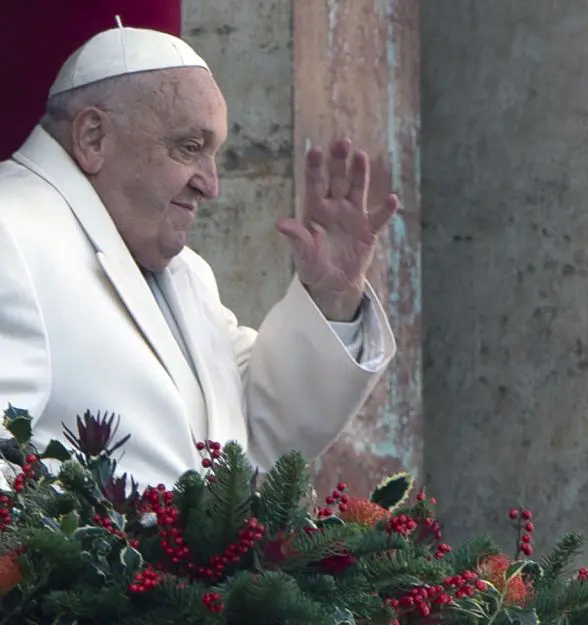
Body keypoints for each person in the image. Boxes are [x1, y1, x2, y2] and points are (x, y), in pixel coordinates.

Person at [0, 26, 398, 486]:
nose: (211, 185)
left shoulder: (187, 272)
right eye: (189, 148)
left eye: (215, 155)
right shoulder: (12, 230)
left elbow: (252, 430)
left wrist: (332, 297)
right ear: (93, 138)